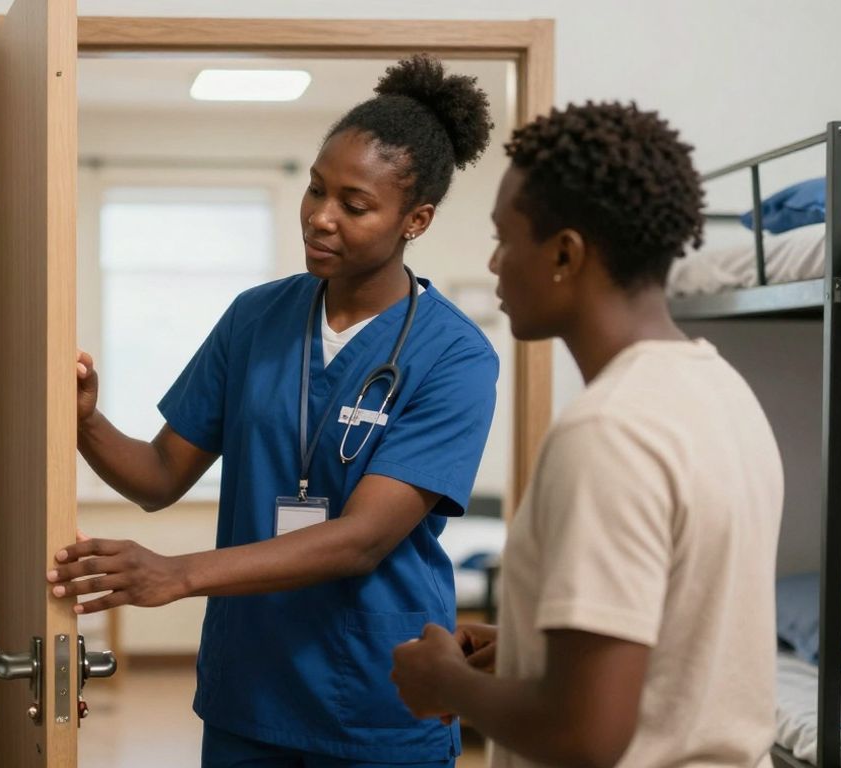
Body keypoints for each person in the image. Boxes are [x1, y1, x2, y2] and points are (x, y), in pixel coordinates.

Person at [47, 54, 499, 766]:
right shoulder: (256, 317)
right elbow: (162, 474)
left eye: (354, 205)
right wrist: (84, 421)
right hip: (249, 693)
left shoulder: (455, 355)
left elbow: (362, 540)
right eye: (316, 189)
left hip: (377, 700)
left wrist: (179, 574)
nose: (320, 217)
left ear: (416, 219)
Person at [390, 102, 784, 768]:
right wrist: (523, 648)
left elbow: (586, 736)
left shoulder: (608, 431)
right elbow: (681, 644)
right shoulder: (723, 392)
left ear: (565, 254)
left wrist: (446, 684)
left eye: (504, 238)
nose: (493, 264)